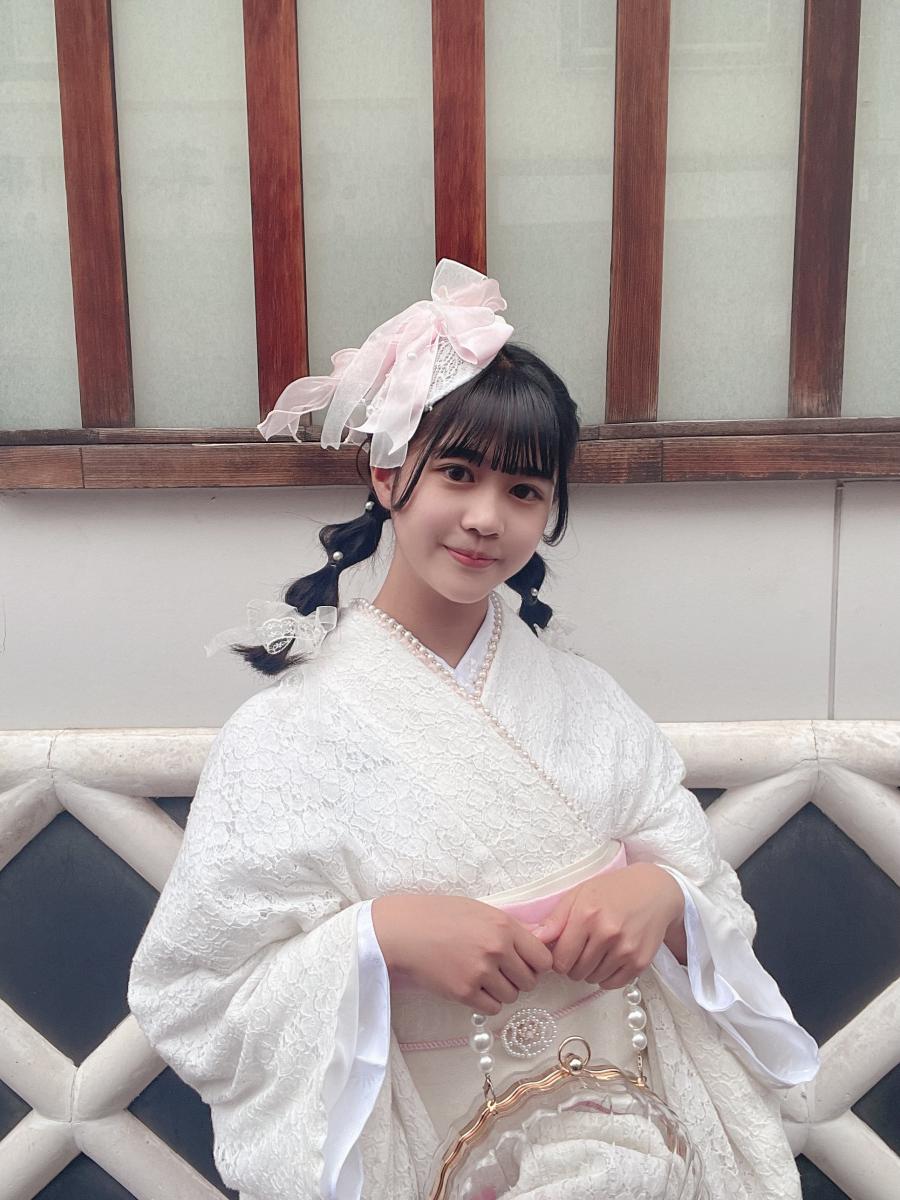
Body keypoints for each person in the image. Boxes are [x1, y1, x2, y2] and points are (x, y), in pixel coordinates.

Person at [127, 260, 819, 1200]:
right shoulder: (282, 739)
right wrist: (377, 938)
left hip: (637, 1132)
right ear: (387, 474)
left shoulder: (588, 703)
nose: (487, 518)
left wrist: (665, 899)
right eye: (457, 473)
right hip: (426, 1152)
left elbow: (711, 898)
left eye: (525, 491)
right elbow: (194, 993)